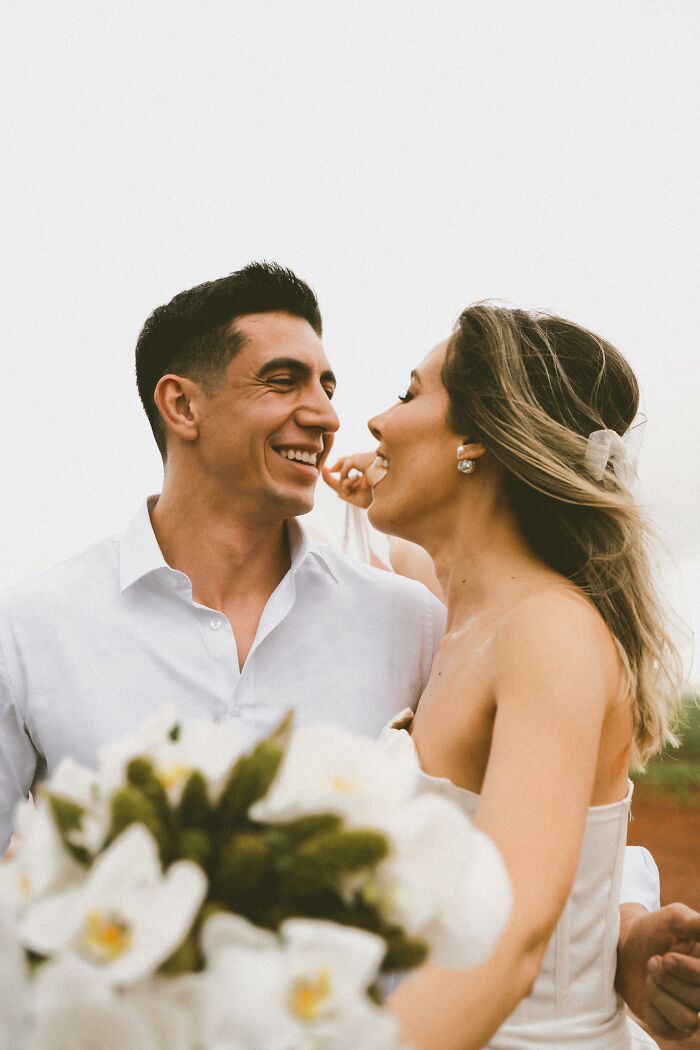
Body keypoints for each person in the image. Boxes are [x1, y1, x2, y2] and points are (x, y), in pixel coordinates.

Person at [0, 264, 696, 1041]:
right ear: (181, 404)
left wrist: (622, 928)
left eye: (332, 385)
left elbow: (551, 833)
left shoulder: (414, 621)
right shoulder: (32, 630)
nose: (331, 415)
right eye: (284, 380)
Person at [324, 304, 700, 1047]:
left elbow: (512, 935)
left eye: (408, 395)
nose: (373, 421)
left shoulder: (546, 633)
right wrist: (385, 486)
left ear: (476, 439)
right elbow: (428, 559)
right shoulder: (466, 615)